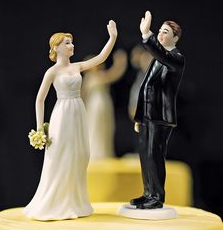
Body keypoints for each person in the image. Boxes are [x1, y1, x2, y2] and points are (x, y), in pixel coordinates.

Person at [23, 20, 117, 220]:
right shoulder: (53, 72)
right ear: (56, 48)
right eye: (67, 43)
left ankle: (75, 200)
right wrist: (40, 129)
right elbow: (40, 99)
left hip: (78, 111)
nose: (71, 46)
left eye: (71, 42)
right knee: (61, 155)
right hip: (62, 113)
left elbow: (101, 57)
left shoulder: (78, 66)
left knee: (79, 154)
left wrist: (112, 38)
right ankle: (56, 202)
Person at [130, 11, 185, 209]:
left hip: (160, 117)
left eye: (165, 32)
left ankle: (157, 196)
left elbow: (160, 53)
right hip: (147, 117)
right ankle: (148, 193)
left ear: (175, 38)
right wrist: (139, 117)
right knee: (145, 154)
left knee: (155, 155)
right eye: (159, 31)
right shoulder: (157, 58)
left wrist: (147, 35)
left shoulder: (175, 58)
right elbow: (147, 87)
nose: (161, 35)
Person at [82, 49, 127, 160]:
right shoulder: (91, 78)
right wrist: (120, 63)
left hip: (103, 105)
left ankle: (103, 152)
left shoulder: (96, 77)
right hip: (95, 106)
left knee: (105, 128)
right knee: (95, 128)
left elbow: (114, 74)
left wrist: (120, 63)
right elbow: (114, 74)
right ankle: (96, 153)